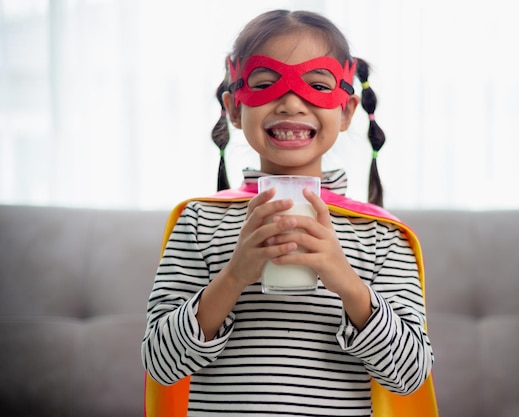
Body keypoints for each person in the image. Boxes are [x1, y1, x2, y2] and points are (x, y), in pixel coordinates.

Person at [142, 9, 437, 417]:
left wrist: (347, 282)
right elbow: (161, 365)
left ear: (347, 110)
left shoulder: (381, 236)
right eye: (265, 84)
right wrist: (234, 275)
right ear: (234, 107)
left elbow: (409, 373)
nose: (292, 103)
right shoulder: (198, 222)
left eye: (317, 85)